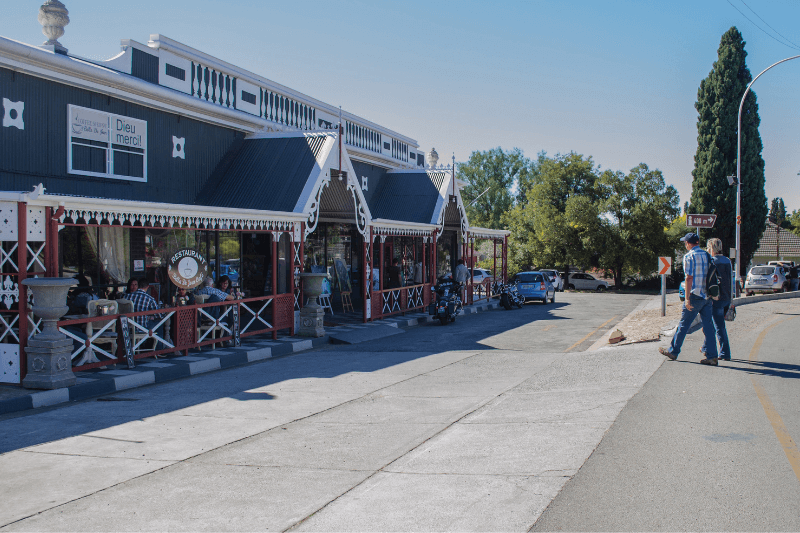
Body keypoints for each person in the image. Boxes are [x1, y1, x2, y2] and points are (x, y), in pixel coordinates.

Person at [659, 233, 719, 365]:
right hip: (707, 295)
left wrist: (687, 299)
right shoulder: (707, 255)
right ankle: (712, 356)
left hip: (694, 295)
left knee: (684, 324)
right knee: (708, 326)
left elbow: (689, 278)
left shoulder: (689, 256)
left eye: (685, 242)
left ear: (688, 243)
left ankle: (673, 351)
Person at [701, 238, 732, 361]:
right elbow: (730, 281)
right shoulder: (727, 261)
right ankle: (705, 348)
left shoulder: (711, 261)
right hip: (727, 297)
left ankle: (725, 353)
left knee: (718, 327)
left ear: (711, 248)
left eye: (708, 248)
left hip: (716, 298)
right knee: (714, 325)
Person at [128, 278, 166, 350]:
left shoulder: (127, 296)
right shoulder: (149, 299)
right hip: (141, 328)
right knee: (160, 323)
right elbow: (159, 315)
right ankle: (159, 349)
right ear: (147, 287)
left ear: (138, 286)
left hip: (127, 327)